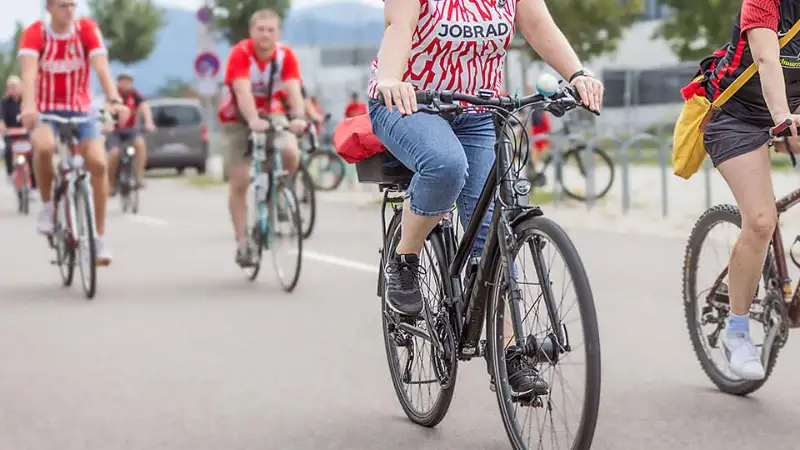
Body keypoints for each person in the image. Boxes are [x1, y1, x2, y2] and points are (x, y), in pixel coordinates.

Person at [369, 0, 603, 395]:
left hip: (479, 108)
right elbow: (399, 27)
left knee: (494, 236)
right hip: (410, 103)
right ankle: (405, 258)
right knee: (446, 165)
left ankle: (510, 355)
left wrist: (577, 73)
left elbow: (537, 25)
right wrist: (392, 79)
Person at [685, 0, 800, 381]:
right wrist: (782, 119)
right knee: (761, 221)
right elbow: (766, 60)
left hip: (793, 114)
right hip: (737, 116)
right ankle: (736, 330)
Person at [18, 0, 129, 265]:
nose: (69, 11)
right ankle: (47, 207)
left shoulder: (86, 30)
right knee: (44, 147)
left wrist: (114, 98)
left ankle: (98, 238)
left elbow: (101, 67)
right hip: (45, 108)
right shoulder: (36, 32)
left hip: (81, 108)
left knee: (98, 163)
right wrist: (30, 106)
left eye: (72, 5)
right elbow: (29, 74)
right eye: (62, 6)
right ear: (49, 9)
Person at [217, 8, 307, 267]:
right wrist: (252, 120)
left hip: (272, 115)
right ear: (251, 32)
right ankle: (243, 241)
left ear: (277, 33)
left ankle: (280, 194)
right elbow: (241, 90)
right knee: (240, 179)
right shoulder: (241, 53)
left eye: (271, 30)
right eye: (261, 29)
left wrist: (299, 116)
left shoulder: (285, 55)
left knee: (290, 151)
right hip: (238, 119)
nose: (266, 35)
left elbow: (292, 88)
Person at [105, 72, 155, 195]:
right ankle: (110, 183)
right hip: (115, 131)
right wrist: (108, 123)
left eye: (129, 81)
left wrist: (148, 122)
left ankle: (139, 177)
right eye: (123, 81)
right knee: (113, 154)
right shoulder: (114, 95)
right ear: (119, 82)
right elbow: (107, 107)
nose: (126, 84)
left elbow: (144, 106)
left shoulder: (135, 95)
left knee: (140, 144)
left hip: (131, 130)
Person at [1, 75, 37, 192]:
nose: (12, 89)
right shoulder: (5, 102)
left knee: (32, 154)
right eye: (10, 87)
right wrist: (3, 127)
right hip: (10, 133)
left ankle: (34, 185)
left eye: (15, 86)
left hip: (25, 132)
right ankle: (9, 172)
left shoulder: (26, 100)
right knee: (8, 149)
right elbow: (1, 119)